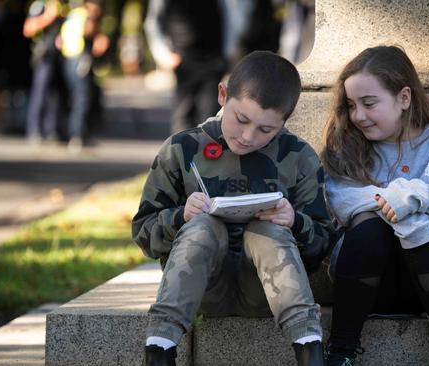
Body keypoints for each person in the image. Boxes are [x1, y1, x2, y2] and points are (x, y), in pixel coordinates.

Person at [132, 50, 332, 366]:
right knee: (201, 226)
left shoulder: (299, 157)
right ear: (223, 95)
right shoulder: (182, 149)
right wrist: (180, 216)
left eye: (266, 130)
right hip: (201, 288)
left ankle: (310, 351)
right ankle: (159, 350)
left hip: (267, 292)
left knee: (269, 228)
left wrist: (295, 222)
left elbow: (323, 242)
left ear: (284, 121)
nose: (249, 136)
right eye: (241, 119)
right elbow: (143, 233)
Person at [320, 45, 429, 366]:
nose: (358, 116)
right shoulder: (348, 146)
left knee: (418, 223)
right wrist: (393, 202)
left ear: (404, 98)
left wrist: (415, 197)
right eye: (352, 105)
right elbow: (341, 202)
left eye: (369, 103)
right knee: (370, 224)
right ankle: (340, 351)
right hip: (364, 282)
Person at [143, 0, 227, 134]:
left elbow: (229, 16)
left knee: (211, 117)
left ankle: (207, 153)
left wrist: (229, 51)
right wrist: (163, 53)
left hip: (213, 59)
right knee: (183, 117)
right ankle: (179, 153)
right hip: (183, 59)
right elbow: (153, 21)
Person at [56, 0, 108, 152]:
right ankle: (77, 135)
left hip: (68, 60)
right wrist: (99, 36)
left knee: (73, 98)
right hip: (81, 61)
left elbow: (59, 40)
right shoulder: (88, 17)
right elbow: (93, 36)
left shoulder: (73, 15)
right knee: (82, 99)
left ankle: (71, 132)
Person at [23, 0, 65, 145]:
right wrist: (47, 17)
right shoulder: (39, 6)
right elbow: (28, 29)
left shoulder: (63, 7)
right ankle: (34, 130)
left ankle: (52, 130)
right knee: (39, 93)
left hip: (59, 57)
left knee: (56, 95)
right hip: (43, 57)